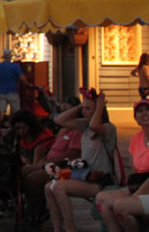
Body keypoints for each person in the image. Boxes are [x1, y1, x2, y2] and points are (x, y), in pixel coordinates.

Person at [44, 89, 118, 232]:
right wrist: (79, 106)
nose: (84, 112)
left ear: (98, 110)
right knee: (49, 187)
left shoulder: (108, 128)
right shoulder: (84, 125)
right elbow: (58, 120)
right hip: (84, 175)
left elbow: (95, 126)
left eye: (88, 109)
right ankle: (57, 229)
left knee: (59, 188)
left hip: (101, 180)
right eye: (83, 109)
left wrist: (100, 106)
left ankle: (70, 229)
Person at [95, 99, 149, 232]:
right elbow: (134, 173)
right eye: (139, 111)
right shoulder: (136, 138)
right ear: (136, 119)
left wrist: (134, 197)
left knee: (121, 206)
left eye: (148, 110)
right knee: (102, 198)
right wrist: (130, 191)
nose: (144, 114)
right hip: (140, 186)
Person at [20, 96, 82, 228]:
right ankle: (30, 206)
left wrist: (47, 164)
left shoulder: (77, 131)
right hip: (50, 162)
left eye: (67, 111)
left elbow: (71, 155)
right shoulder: (63, 130)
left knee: (34, 178)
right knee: (23, 171)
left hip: (68, 168)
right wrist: (43, 161)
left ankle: (35, 212)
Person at [0, 49, 25, 115]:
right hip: (13, 92)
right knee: (16, 112)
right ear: (10, 56)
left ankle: (0, 124)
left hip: (1, 92)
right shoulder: (15, 66)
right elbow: (22, 78)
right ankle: (13, 123)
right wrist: (27, 83)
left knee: (2, 112)